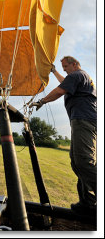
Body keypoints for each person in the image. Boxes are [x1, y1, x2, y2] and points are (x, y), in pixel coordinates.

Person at [30, 56, 97, 215]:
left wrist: (42, 101)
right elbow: (64, 81)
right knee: (76, 162)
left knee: (85, 161)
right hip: (83, 121)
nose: (65, 70)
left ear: (74, 64)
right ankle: (87, 202)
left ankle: (91, 200)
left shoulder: (77, 75)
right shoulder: (80, 76)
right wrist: (54, 71)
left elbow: (60, 89)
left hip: (84, 121)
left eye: (66, 66)